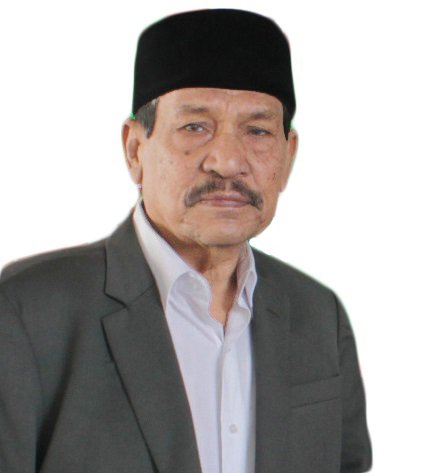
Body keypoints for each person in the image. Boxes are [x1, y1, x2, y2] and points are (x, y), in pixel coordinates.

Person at [0, 9, 371, 473]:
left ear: (288, 155)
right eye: (195, 127)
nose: (227, 161)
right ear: (135, 149)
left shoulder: (317, 315)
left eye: (257, 131)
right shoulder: (27, 312)